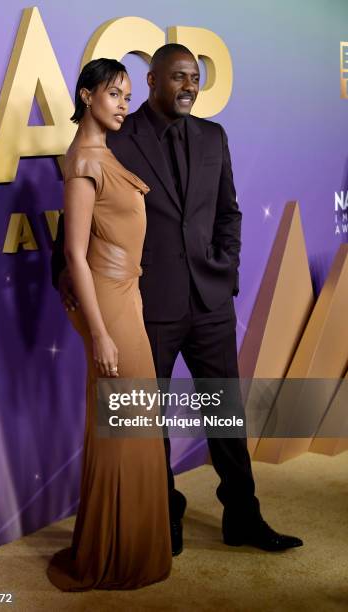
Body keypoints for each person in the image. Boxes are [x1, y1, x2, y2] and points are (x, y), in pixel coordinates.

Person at [52, 44, 303, 555]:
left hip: (210, 302)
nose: (189, 86)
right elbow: (77, 233)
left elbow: (228, 214)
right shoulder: (117, 138)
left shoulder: (214, 136)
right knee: (150, 421)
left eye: (195, 78)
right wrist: (84, 302)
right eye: (179, 77)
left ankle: (243, 515)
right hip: (146, 305)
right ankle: (163, 512)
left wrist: (226, 272)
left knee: (224, 413)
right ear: (152, 80)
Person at [46, 58, 172, 591]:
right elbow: (75, 255)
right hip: (108, 306)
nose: (123, 103)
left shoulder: (105, 154)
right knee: (127, 429)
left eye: (125, 94)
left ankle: (131, 544)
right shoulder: (83, 164)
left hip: (127, 297)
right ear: (86, 96)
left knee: (134, 429)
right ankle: (115, 553)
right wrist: (98, 332)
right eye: (114, 94)